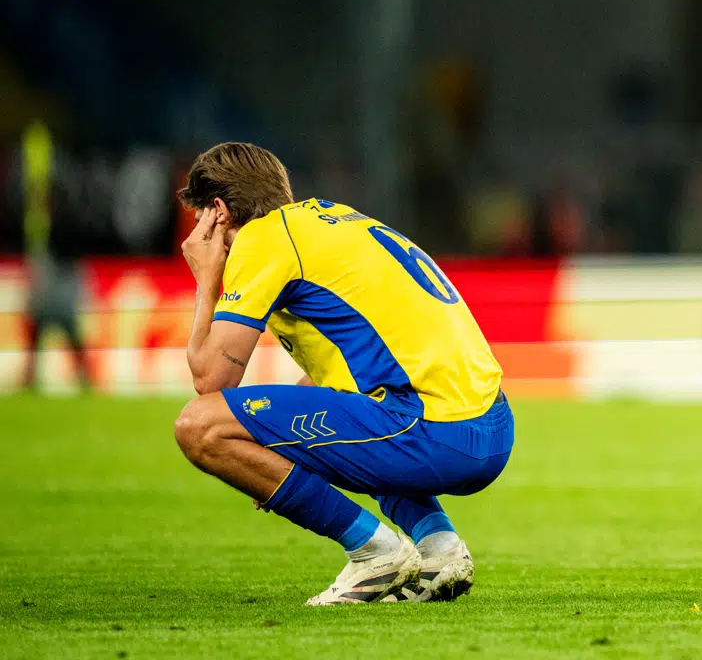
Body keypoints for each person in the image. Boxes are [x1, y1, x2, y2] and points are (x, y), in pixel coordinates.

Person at [171, 142, 512, 605]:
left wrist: (206, 283)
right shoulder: (330, 221)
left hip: (435, 429)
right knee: (366, 417)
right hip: (489, 423)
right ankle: (440, 550)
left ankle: (376, 553)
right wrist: (280, 446)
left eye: (201, 222)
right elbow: (341, 374)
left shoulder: (263, 238)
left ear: (219, 212)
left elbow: (211, 383)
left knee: (199, 426)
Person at [16, 121, 92, 391]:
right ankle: (33, 379)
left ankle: (82, 377)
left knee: (59, 335)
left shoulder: (61, 227)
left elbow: (69, 254)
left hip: (58, 290)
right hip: (54, 289)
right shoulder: (54, 226)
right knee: (45, 335)